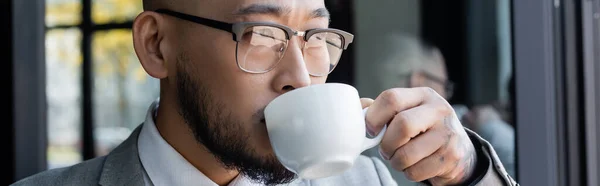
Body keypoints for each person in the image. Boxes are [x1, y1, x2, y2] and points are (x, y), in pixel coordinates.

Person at [12, 1, 517, 186]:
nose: (299, 76)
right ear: (156, 44)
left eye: (317, 38)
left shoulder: (365, 180)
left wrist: (470, 173)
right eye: (261, 34)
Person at [373, 33, 516, 179]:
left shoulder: (366, 151)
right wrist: (490, 127)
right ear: (418, 81)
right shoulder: (423, 153)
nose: (446, 97)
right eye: (444, 85)